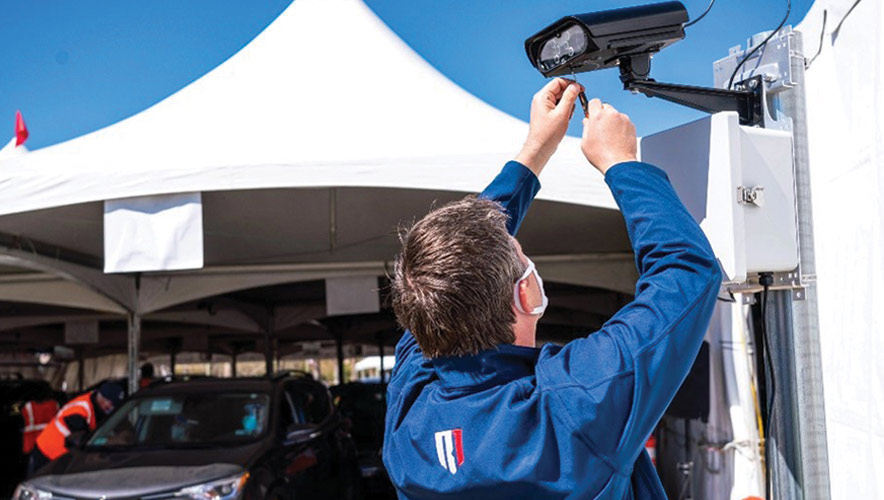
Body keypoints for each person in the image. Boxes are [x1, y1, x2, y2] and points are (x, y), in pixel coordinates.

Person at [382, 78, 721, 499]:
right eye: (523, 256)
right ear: (526, 294)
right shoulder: (574, 402)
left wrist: (535, 150)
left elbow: (450, 266)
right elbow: (686, 272)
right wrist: (622, 163)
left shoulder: (409, 413)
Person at [28, 381, 125, 477]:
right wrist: (109, 441)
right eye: (111, 405)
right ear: (102, 399)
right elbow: (82, 440)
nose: (112, 408)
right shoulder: (79, 411)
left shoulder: (96, 405)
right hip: (47, 455)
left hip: (62, 458)